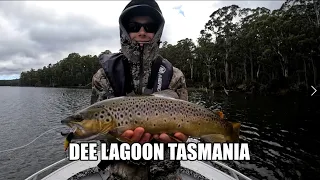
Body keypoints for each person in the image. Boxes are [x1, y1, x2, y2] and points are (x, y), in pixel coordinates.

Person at [91, 0, 189, 179]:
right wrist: (118, 137)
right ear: (125, 30)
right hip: (120, 171)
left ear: (158, 31)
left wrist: (180, 138)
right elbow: (99, 131)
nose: (142, 32)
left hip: (166, 171)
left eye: (149, 26)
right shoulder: (103, 76)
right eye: (134, 26)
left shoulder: (175, 76)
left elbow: (185, 128)